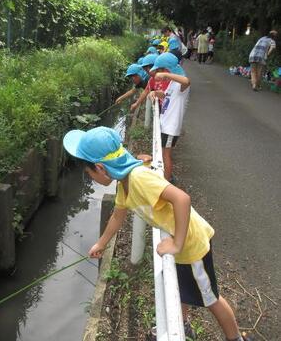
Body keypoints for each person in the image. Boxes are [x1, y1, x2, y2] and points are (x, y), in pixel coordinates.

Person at [62, 126, 252, 341]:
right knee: (182, 288)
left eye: (88, 173)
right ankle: (182, 323)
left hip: (191, 244)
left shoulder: (138, 179)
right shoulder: (125, 183)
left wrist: (177, 244)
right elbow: (117, 216)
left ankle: (236, 338)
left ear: (100, 168)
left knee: (211, 298)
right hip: (181, 241)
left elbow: (182, 199)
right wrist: (102, 243)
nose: (89, 177)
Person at [149, 53, 190, 183]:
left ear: (167, 70)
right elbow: (165, 96)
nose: (159, 73)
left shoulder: (180, 84)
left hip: (170, 128)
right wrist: (154, 93)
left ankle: (166, 183)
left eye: (160, 70)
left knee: (166, 155)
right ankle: (165, 178)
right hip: (164, 125)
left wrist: (166, 75)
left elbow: (187, 81)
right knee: (161, 153)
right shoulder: (172, 84)